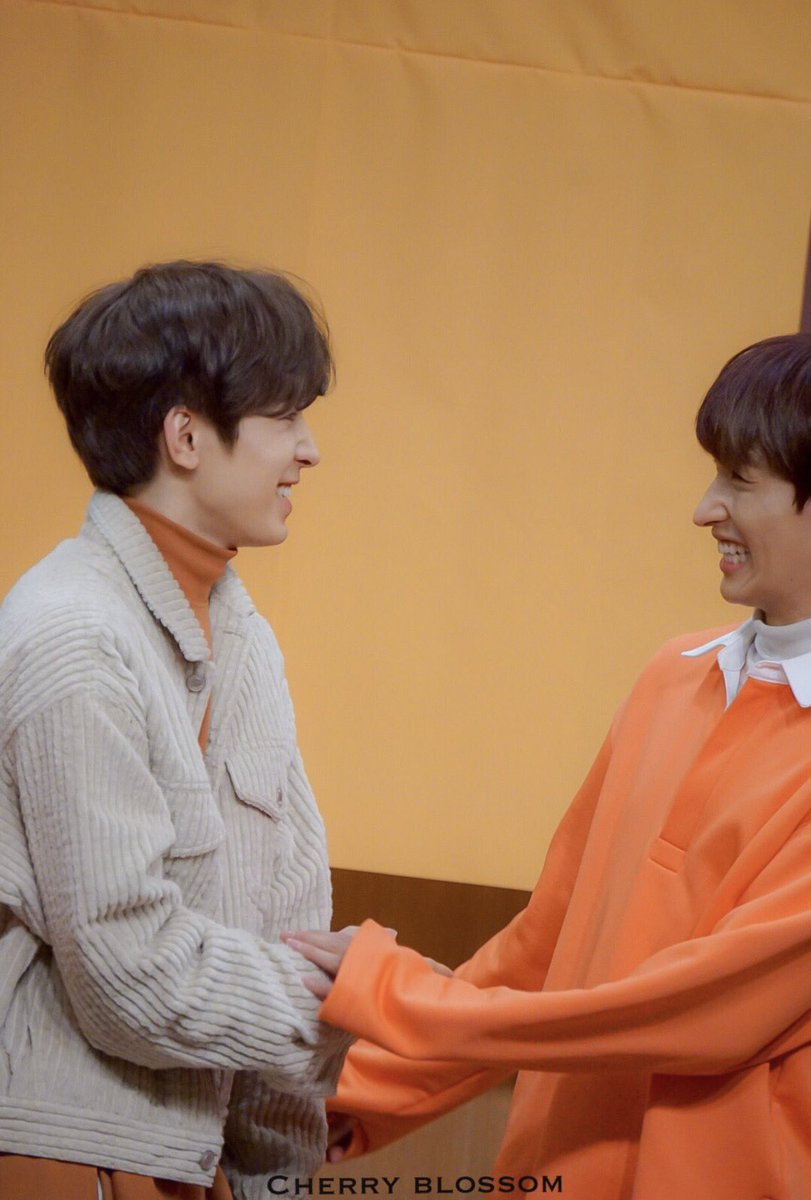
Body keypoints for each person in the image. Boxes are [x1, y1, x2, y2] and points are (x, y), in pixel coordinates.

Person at [288, 332, 811, 1200]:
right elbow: (546, 948)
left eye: (738, 480)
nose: (704, 508)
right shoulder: (671, 676)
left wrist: (394, 993)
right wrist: (348, 1099)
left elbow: (699, 1013)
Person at [0, 261, 351, 1200]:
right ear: (186, 436)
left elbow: (289, 927)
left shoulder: (243, 635)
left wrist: (282, 1178)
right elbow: (128, 976)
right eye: (286, 417)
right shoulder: (71, 633)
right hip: (65, 1158)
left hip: (198, 1164)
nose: (309, 450)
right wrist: (360, 1002)